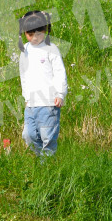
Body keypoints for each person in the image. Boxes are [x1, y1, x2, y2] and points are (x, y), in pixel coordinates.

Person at [18, 10, 67, 157]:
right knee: (29, 135)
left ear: (45, 30)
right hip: (31, 104)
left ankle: (47, 165)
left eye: (38, 34)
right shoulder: (25, 50)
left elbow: (60, 73)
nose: (34, 38)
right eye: (30, 34)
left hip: (49, 102)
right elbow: (23, 75)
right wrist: (26, 98)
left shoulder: (51, 49)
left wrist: (60, 94)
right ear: (24, 33)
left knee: (48, 136)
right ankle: (40, 157)